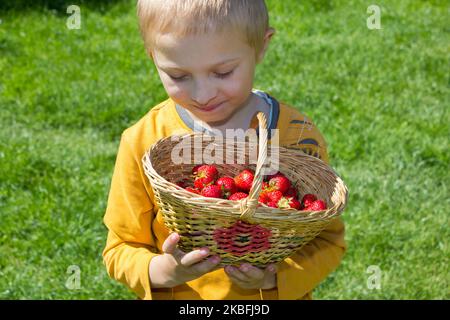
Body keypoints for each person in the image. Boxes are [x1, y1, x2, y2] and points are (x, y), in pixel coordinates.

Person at [102, 0, 346, 300]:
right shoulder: (143, 140)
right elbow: (120, 247)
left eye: (223, 72)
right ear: (152, 56)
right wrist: (163, 271)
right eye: (178, 76)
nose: (203, 95)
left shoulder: (296, 136)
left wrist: (274, 280)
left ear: (261, 47)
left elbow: (328, 241)